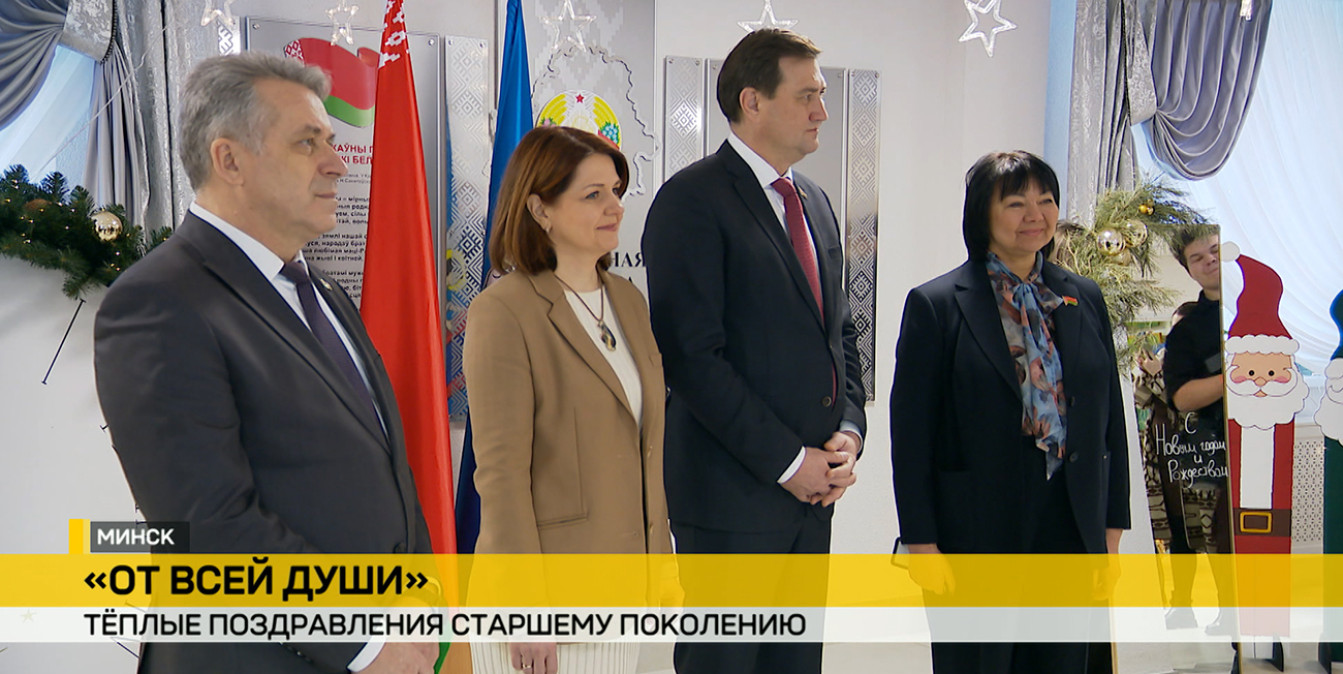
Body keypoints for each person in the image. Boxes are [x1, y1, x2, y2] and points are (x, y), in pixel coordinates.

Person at [94, 53, 437, 673]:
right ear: (229, 161)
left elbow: (385, 467)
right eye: (308, 142)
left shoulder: (324, 292)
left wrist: (414, 603)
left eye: (330, 139)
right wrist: (360, 642)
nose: (338, 162)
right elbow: (208, 526)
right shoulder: (158, 301)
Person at [642, 28, 866, 674]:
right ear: (753, 101)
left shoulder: (815, 202)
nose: (822, 111)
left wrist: (848, 434)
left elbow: (840, 335)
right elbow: (692, 360)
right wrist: (788, 461)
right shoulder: (692, 200)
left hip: (813, 500)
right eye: (807, 96)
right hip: (730, 502)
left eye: (821, 95)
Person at [889, 151, 1130, 673]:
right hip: (976, 525)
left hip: (1069, 515)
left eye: (1046, 200)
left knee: (1062, 661)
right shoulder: (938, 304)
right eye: (1016, 202)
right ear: (983, 213)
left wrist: (1111, 527)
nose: (1034, 214)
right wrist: (921, 542)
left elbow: (1109, 417)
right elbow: (910, 436)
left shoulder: (1082, 296)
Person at [463, 125, 671, 674]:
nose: (615, 207)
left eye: (616, 191)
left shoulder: (628, 301)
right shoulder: (504, 311)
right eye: (593, 194)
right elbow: (501, 474)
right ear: (540, 209)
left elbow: (645, 447)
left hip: (623, 593)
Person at [1160, 226, 1233, 631]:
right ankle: (1232, 621)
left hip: (1270, 445)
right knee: (1224, 537)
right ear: (1188, 270)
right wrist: (1237, 377)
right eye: (1197, 258)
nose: (1209, 261)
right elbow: (1182, 397)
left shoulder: (1264, 309)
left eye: (1215, 250)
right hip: (1217, 452)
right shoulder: (1187, 332)